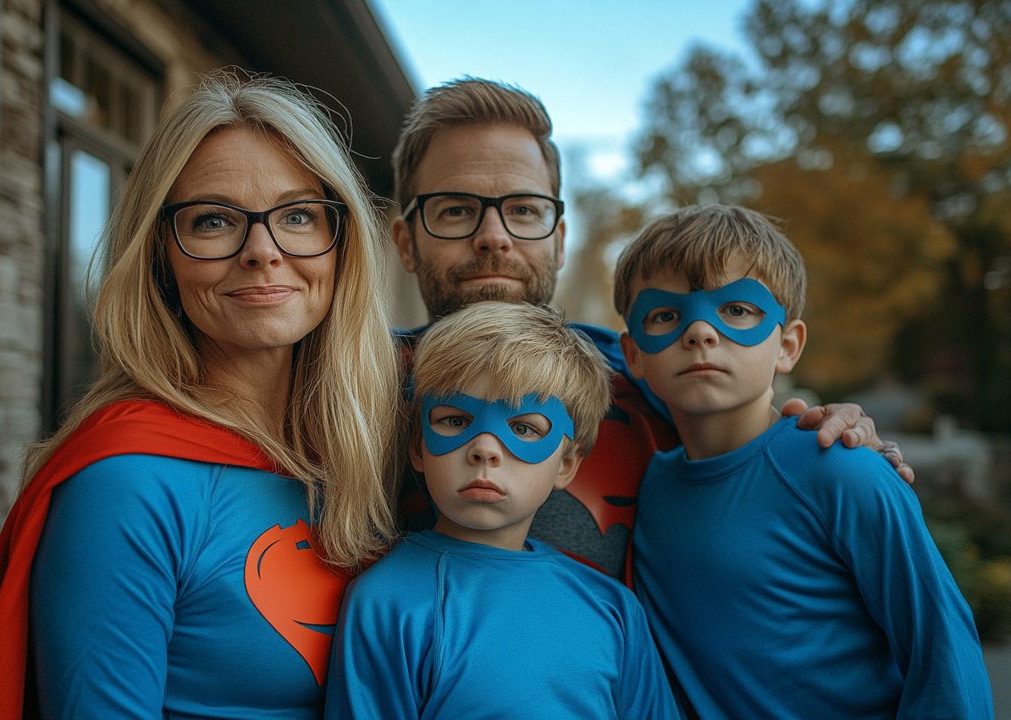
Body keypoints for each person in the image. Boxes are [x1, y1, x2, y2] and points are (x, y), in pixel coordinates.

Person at [0, 70, 402, 719]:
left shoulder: (377, 451)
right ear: (161, 255)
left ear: (340, 242)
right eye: (213, 220)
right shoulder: (126, 484)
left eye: (298, 215)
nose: (262, 251)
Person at [389, 76, 912, 583]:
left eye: (524, 210)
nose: (493, 237)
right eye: (455, 211)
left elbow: (756, 441)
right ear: (406, 242)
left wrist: (837, 444)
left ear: (559, 240)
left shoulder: (646, 376)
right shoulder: (356, 391)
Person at [615, 204, 993, 718]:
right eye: (665, 314)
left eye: (737, 310)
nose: (700, 332)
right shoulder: (647, 487)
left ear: (787, 345)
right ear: (633, 354)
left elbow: (943, 650)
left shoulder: (843, 471)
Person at [325, 301, 681, 720]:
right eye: (456, 420)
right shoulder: (387, 602)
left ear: (566, 464)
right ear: (418, 446)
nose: (484, 449)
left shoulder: (613, 608)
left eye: (524, 428)